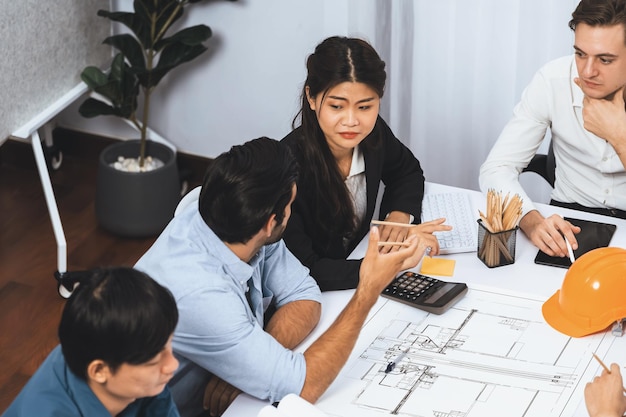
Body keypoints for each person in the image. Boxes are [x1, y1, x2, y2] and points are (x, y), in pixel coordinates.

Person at [135, 137, 430, 417]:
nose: (292, 211)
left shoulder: (235, 212)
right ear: (271, 222)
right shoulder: (203, 294)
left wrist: (251, 366)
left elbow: (304, 295)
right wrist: (368, 290)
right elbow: (304, 385)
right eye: (290, 206)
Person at [281, 36, 450, 291]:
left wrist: (398, 216)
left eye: (365, 106)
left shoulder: (373, 134)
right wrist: (391, 262)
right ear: (312, 98)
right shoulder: (285, 168)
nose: (352, 121)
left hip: (356, 270)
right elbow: (307, 269)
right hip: (314, 292)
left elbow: (406, 171)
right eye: (337, 106)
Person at [479, 0, 626, 259]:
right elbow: (496, 169)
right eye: (580, 54)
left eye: (605, 59)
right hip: (571, 218)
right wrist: (530, 220)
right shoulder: (552, 80)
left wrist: (618, 135)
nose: (588, 71)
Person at [2, 267, 180, 417]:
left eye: (168, 344)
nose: (172, 364)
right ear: (99, 370)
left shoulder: (122, 351)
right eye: (153, 361)